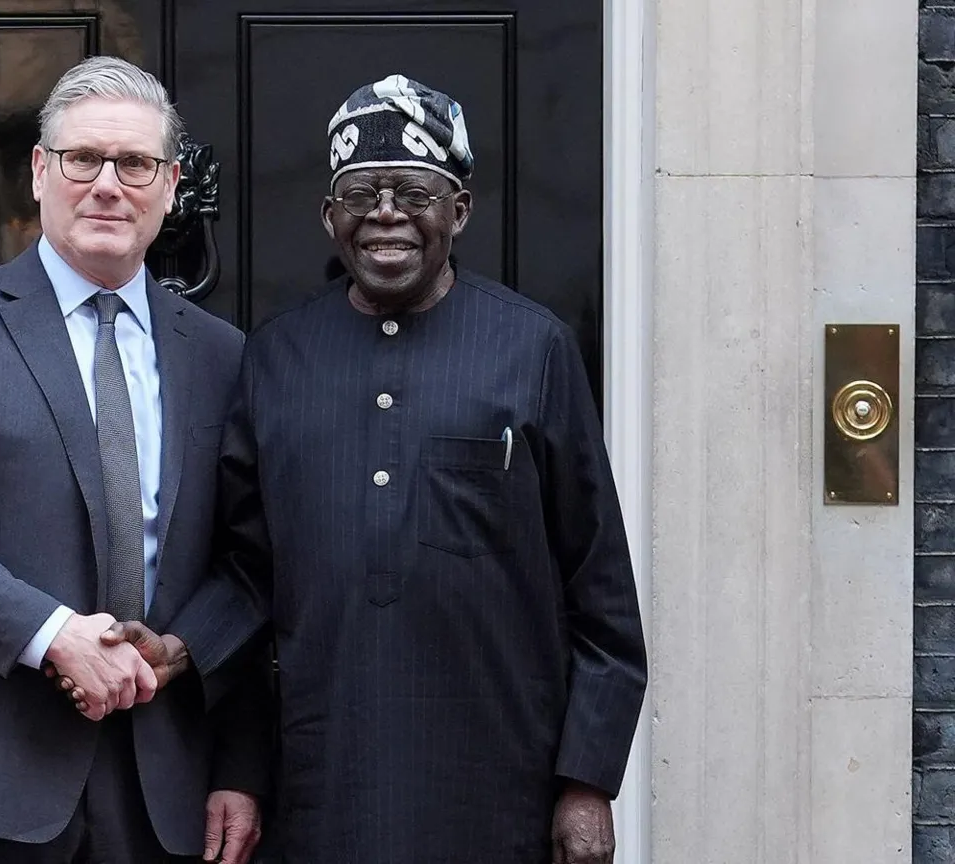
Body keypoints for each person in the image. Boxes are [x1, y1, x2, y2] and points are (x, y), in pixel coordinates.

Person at [79, 73, 648, 863]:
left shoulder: (534, 350)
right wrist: (181, 649)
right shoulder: (277, 357)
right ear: (329, 218)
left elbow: (603, 594)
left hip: (499, 787)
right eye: (361, 194)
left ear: (460, 209)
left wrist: (587, 783)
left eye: (414, 192)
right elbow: (249, 568)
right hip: (321, 785)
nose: (386, 214)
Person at [0, 55, 268, 864]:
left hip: (163, 789)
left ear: (171, 185)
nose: (108, 184)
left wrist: (205, 694)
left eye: (136, 163)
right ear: (42, 171)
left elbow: (252, 563)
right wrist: (53, 635)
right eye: (84, 158)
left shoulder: (224, 357)